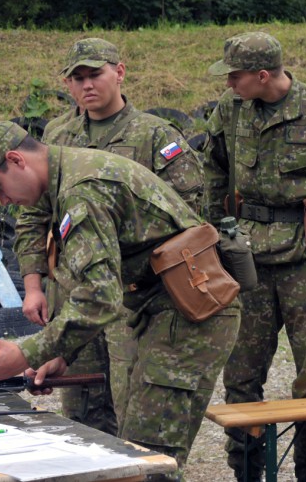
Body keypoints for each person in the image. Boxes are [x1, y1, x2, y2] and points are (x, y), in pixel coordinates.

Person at [0, 121, 238, 479]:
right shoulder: (71, 175)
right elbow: (97, 285)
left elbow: (100, 297)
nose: (3, 201)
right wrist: (62, 354)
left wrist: (25, 353)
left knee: (148, 460)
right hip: (162, 308)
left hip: (189, 315)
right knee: (138, 455)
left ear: (16, 160)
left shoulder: (82, 192)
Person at [15, 37, 204, 436]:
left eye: (95, 74)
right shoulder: (57, 135)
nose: (87, 85)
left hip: (134, 293)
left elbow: (188, 216)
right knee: (80, 406)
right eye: (77, 77)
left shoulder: (154, 135)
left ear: (119, 72)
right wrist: (33, 284)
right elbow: (34, 214)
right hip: (76, 290)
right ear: (67, 84)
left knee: (130, 399)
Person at [204, 31, 306, 482]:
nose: (229, 84)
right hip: (247, 257)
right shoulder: (231, 110)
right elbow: (214, 167)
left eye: (236, 76)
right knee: (241, 372)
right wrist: (211, 229)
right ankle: (246, 471)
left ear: (263, 75)